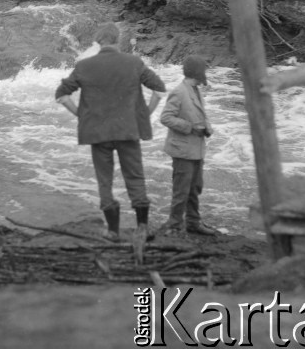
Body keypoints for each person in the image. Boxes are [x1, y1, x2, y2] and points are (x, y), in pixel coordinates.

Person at [55, 22, 166, 241]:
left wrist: (81, 114)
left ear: (98, 42)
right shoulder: (133, 62)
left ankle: (113, 231)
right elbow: (159, 88)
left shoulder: (84, 66)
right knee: (135, 177)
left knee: (104, 180)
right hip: (128, 130)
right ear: (117, 40)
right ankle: (142, 227)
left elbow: (61, 94)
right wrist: (145, 113)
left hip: (98, 132)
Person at [160, 55, 216, 235]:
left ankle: (193, 222)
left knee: (195, 187)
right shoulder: (179, 91)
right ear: (197, 73)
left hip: (196, 148)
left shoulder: (195, 90)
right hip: (183, 149)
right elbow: (166, 117)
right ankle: (174, 224)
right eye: (203, 71)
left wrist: (207, 127)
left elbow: (200, 113)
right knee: (181, 190)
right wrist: (189, 127)